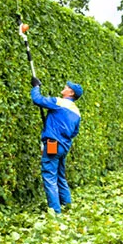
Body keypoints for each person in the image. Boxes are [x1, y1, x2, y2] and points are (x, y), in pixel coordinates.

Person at [30, 77, 83, 214]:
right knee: (60, 175)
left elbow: (38, 100)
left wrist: (36, 87)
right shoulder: (77, 112)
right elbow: (74, 132)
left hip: (53, 144)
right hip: (64, 146)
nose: (64, 87)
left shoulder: (59, 102)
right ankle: (67, 205)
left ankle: (56, 212)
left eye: (67, 87)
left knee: (49, 175)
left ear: (71, 93)